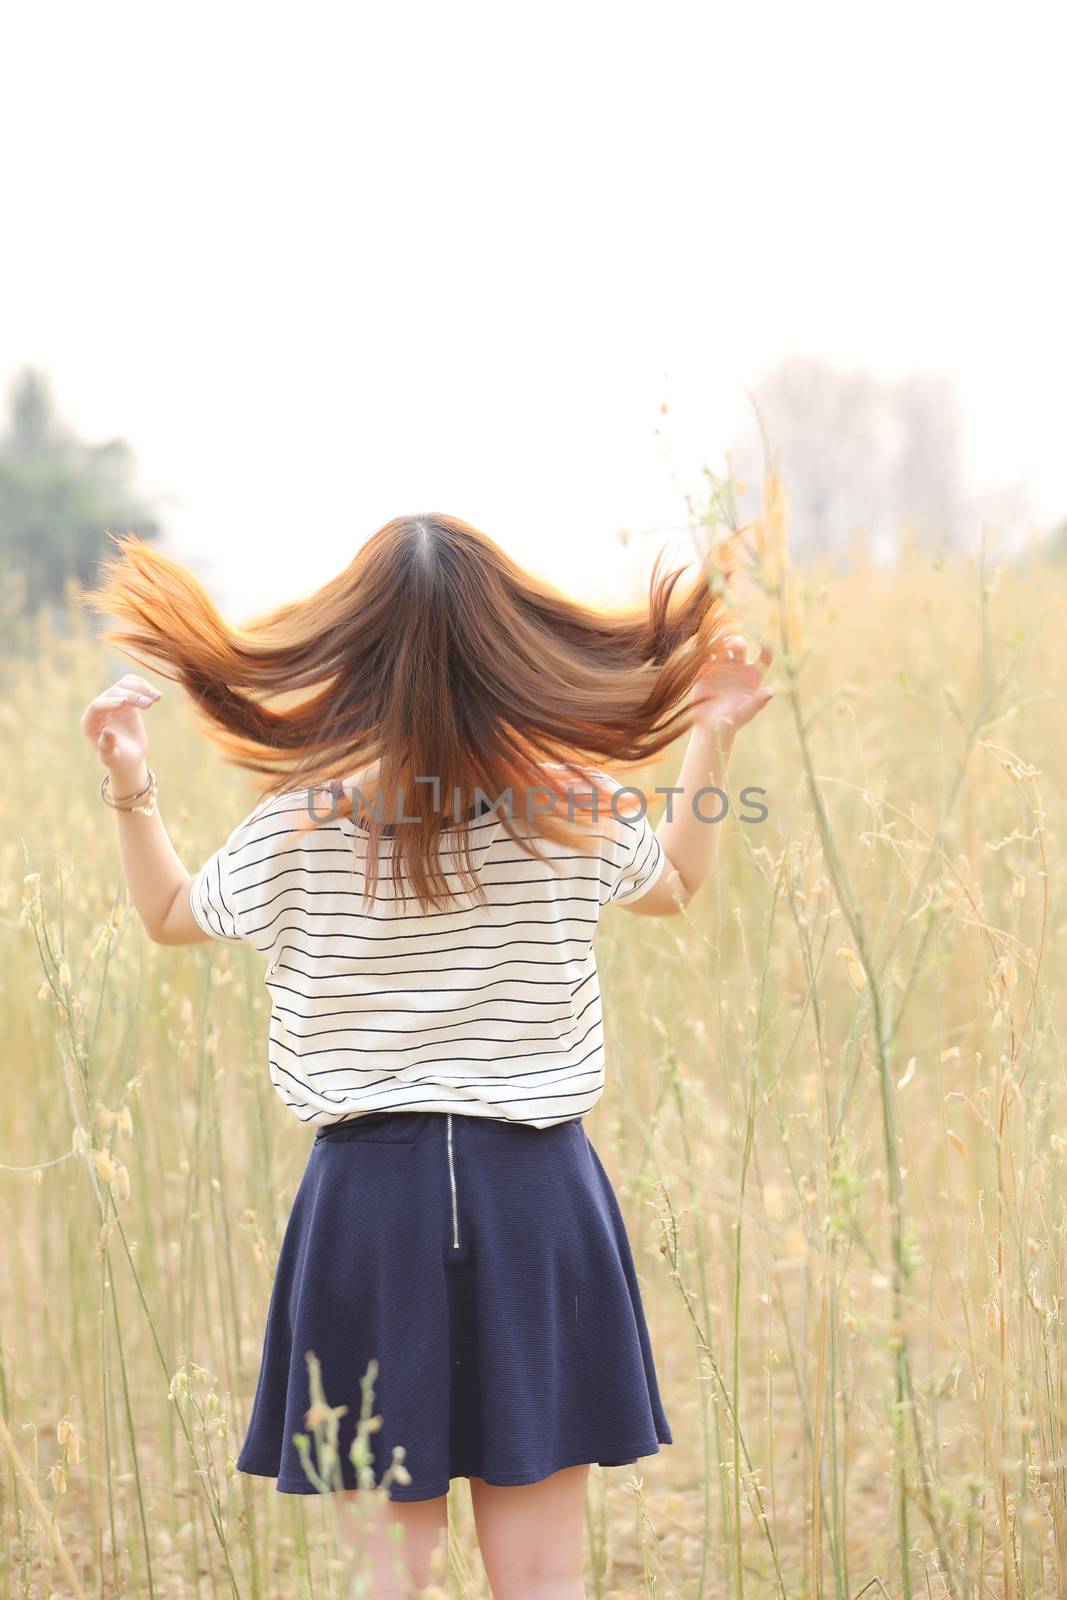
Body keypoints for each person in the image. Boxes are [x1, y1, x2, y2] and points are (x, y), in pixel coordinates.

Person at [80, 512, 773, 1599]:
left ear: (351, 655)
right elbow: (678, 885)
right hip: (535, 1195)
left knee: (385, 1580)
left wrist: (130, 778)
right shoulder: (571, 807)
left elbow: (169, 911)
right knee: (539, 1580)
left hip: (368, 1205)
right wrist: (714, 732)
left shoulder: (300, 823)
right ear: (514, 647)